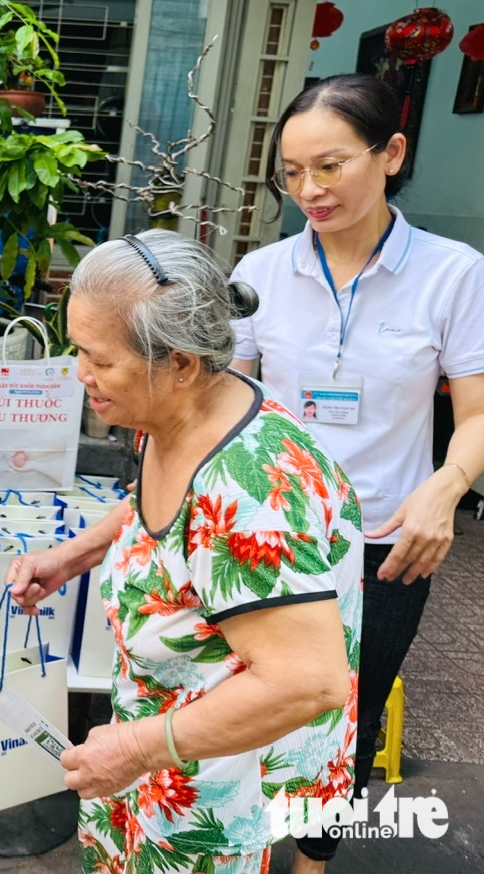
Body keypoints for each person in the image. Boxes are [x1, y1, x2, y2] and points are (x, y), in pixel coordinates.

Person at [8, 230, 362, 874]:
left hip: (210, 782)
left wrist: (138, 750)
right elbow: (155, 503)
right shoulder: (179, 413)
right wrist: (76, 556)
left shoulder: (255, 495)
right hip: (154, 748)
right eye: (78, 351)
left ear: (180, 362)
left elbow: (308, 679)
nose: (80, 374)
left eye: (99, 359)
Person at [229, 73, 484, 871]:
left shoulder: (454, 274)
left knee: (350, 714)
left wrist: (445, 490)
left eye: (330, 166)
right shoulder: (263, 273)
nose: (310, 189)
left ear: (392, 153)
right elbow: (230, 405)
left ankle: (309, 862)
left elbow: (476, 414)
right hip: (268, 535)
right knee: (244, 703)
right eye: (293, 172)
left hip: (384, 544)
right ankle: (240, 849)